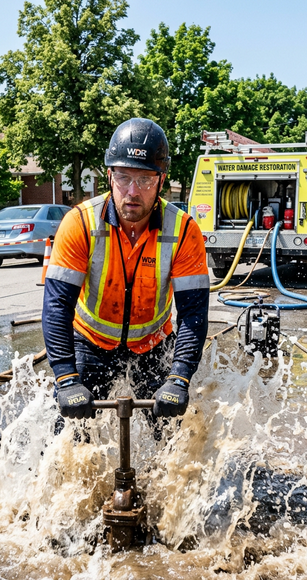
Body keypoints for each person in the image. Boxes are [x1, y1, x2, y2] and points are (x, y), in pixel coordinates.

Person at [42, 118, 210, 432]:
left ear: (161, 181)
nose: (132, 191)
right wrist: (65, 378)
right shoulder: (79, 223)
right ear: (109, 175)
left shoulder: (184, 230)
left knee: (171, 433)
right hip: (89, 343)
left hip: (153, 344)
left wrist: (179, 378)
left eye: (145, 179)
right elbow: (56, 307)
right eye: (123, 177)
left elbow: (193, 314)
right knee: (68, 435)